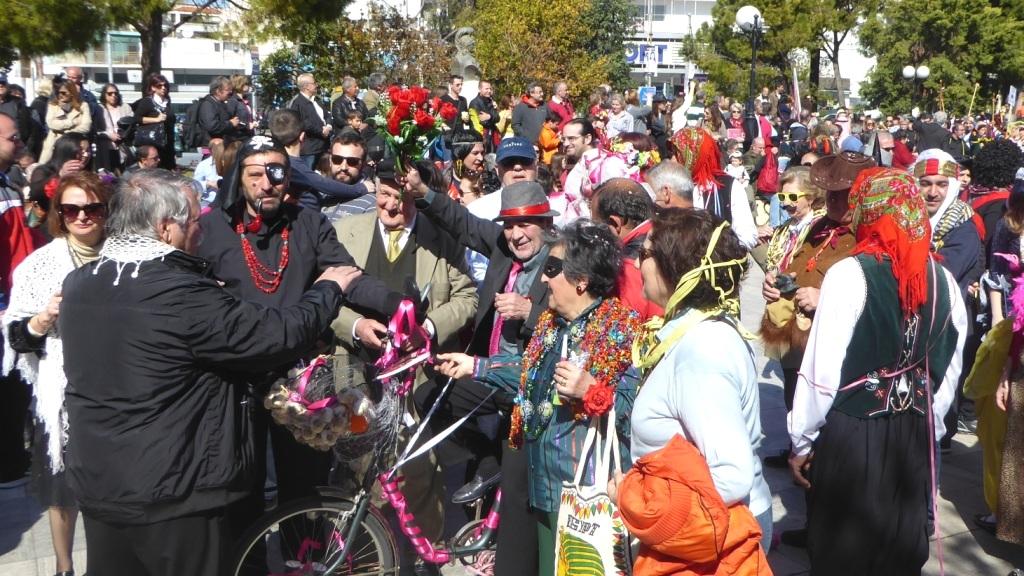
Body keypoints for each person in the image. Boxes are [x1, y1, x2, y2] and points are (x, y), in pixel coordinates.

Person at [60, 169, 363, 576]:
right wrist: (329, 288)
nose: (200, 230)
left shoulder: (80, 282)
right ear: (165, 228)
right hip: (174, 492)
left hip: (101, 483)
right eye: (193, 220)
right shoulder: (178, 293)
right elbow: (275, 335)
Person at [198, 136, 418, 533]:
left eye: (277, 174)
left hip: (298, 381)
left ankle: (305, 558)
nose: (266, 184)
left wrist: (397, 304)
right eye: (255, 175)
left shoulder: (308, 223)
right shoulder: (211, 228)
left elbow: (349, 277)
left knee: (304, 491)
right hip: (235, 383)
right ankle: (249, 561)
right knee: (241, 491)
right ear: (238, 179)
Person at [788, 168, 968, 575]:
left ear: (867, 210)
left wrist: (802, 440)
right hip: (912, 433)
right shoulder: (944, 281)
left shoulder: (850, 274)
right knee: (897, 550)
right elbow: (947, 373)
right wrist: (929, 432)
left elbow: (820, 373)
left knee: (844, 552)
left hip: (852, 433)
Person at [440, 219, 639, 576]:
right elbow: (530, 374)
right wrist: (476, 366)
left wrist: (591, 391)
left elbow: (635, 406)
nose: (544, 279)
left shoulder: (620, 328)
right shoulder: (552, 323)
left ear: (581, 280)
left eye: (552, 268)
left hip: (585, 494)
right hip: (544, 487)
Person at [331, 157, 478, 571]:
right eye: (383, 195)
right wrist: (356, 326)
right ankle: (359, 557)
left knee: (417, 469)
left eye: (401, 198)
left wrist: (428, 328)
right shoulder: (345, 232)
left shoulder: (441, 238)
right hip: (356, 369)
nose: (391, 206)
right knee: (356, 467)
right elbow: (322, 297)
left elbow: (466, 297)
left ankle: (423, 558)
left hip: (417, 374)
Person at [405, 176, 555, 576]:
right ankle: (487, 461)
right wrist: (424, 193)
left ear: (546, 223)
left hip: (528, 384)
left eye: (526, 224)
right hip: (488, 372)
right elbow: (465, 224)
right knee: (429, 396)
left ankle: (509, 555)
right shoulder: (504, 246)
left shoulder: (560, 263)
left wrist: (529, 312)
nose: (516, 234)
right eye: (509, 225)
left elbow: (575, 320)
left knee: (517, 491)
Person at [627, 208, 772, 563]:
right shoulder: (693, 332)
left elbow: (731, 476)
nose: (635, 264)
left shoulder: (702, 350)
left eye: (643, 254)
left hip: (710, 546)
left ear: (674, 267)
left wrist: (638, 502)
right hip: (699, 537)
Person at [2, 172, 110, 576]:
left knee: (110, 488)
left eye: (92, 208)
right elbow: (16, 338)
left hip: (118, 388)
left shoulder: (125, 259)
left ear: (106, 211)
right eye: (71, 209)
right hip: (63, 392)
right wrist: (44, 317)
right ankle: (64, 568)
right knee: (62, 489)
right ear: (59, 214)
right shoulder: (39, 266)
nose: (82, 216)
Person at [759, 152, 876, 485]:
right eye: (832, 194)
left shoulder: (870, 234)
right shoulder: (820, 227)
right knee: (798, 402)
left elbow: (875, 292)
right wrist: (777, 283)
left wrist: (824, 298)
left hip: (841, 351)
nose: (836, 201)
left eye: (845, 195)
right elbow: (798, 268)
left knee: (831, 423)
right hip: (803, 339)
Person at [669, 127, 758, 249]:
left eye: (678, 154)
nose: (672, 160)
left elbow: (747, 236)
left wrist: (715, 253)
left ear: (694, 155)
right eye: (672, 154)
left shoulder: (728, 187)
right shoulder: (669, 187)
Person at [592, 177, 663, 320]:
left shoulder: (627, 268)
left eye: (596, 225)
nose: (595, 235)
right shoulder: (675, 237)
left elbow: (625, 328)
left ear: (615, 223)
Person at [267, 109, 367, 210]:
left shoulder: (274, 159)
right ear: (302, 136)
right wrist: (360, 188)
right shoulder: (292, 165)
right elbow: (323, 184)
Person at [561, 119, 629, 224]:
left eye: (571, 139)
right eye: (563, 139)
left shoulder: (604, 163)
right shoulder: (581, 164)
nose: (565, 143)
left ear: (587, 138)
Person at [39, 80, 91, 165]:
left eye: (63, 93)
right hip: (53, 144)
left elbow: (86, 127)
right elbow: (51, 124)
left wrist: (65, 132)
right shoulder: (53, 105)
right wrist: (72, 122)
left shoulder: (83, 106)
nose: (60, 95)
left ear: (72, 92)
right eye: (58, 92)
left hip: (74, 145)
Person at [288, 73, 332, 168]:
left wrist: (328, 126)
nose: (316, 85)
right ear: (307, 87)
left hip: (324, 146)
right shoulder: (297, 103)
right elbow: (302, 123)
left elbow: (327, 115)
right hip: (309, 149)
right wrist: (321, 131)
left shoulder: (317, 101)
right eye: (314, 83)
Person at [132, 73, 176, 170]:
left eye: (165, 85)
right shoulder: (147, 102)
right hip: (153, 144)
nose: (163, 88)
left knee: (167, 172)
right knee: (154, 171)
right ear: (153, 88)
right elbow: (136, 118)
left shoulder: (167, 102)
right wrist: (156, 119)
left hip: (167, 145)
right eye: (159, 86)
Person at [95, 83, 132, 173]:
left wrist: (123, 133)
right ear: (104, 95)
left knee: (125, 174)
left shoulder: (125, 107)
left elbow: (132, 124)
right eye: (110, 94)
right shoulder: (99, 109)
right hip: (106, 147)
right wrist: (108, 135)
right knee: (108, 174)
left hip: (123, 147)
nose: (113, 96)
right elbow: (95, 130)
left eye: (116, 93)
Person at [196, 76, 241, 149]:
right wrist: (230, 123)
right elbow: (212, 126)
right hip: (213, 147)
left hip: (221, 145)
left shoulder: (220, 103)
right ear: (218, 91)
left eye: (231, 89)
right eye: (228, 90)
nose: (230, 92)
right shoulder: (208, 105)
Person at [469, 80, 499, 150]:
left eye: (490, 89)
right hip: (481, 135)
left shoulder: (491, 101)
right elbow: (483, 121)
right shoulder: (475, 103)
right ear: (480, 89)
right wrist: (492, 118)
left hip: (491, 135)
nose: (489, 91)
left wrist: (489, 116)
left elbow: (497, 118)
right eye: (486, 89)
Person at [227, 74, 256, 140]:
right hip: (238, 138)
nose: (249, 86)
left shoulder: (245, 99)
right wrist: (247, 126)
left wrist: (253, 122)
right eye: (247, 84)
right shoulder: (232, 100)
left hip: (248, 136)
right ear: (241, 85)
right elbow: (230, 119)